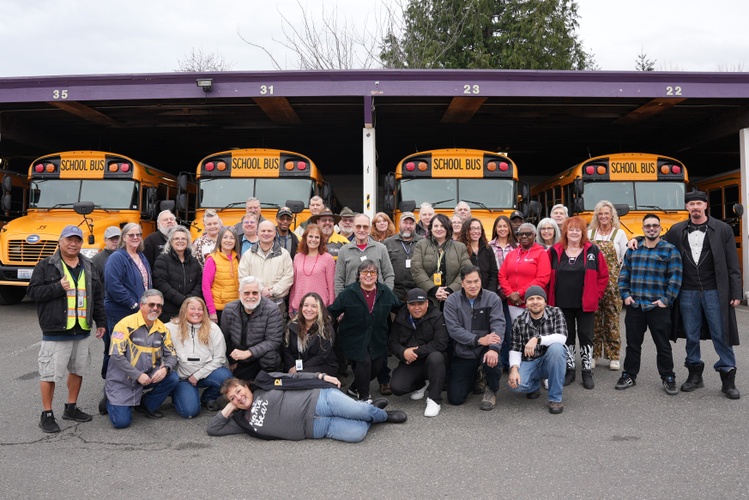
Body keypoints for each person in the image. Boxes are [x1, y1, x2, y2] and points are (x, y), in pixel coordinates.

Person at [28, 225, 106, 433]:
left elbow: (97, 297)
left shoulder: (88, 265)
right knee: (49, 374)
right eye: (69, 240)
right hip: (56, 330)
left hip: (80, 328)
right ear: (60, 241)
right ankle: (47, 414)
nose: (73, 244)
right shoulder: (46, 265)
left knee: (78, 370)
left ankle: (71, 407)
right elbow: (33, 292)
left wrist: (102, 322)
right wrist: (57, 287)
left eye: (77, 240)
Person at [662, 190, 740, 398]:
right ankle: (695, 375)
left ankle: (728, 378)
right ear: (686, 207)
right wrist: (637, 240)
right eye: (691, 204)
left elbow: (733, 263)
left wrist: (736, 291)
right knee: (691, 334)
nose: (695, 207)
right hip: (687, 291)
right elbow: (658, 244)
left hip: (715, 290)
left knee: (721, 334)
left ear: (706, 206)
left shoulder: (723, 229)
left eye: (699, 203)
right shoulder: (676, 230)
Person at [206, 373, 406, 442]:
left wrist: (321, 377)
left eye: (239, 391)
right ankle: (367, 410)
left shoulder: (264, 383)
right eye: (233, 398)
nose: (239, 398)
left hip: (319, 400)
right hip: (316, 429)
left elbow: (294, 377)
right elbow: (213, 429)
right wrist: (229, 409)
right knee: (357, 434)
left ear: (246, 386)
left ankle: (383, 415)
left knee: (361, 412)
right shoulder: (241, 421)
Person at [616, 214, 682, 394]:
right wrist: (625, 295)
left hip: (657, 307)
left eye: (655, 225)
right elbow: (624, 275)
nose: (651, 228)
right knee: (633, 344)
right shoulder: (633, 250)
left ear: (660, 228)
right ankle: (629, 374)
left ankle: (668, 377)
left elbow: (675, 278)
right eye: (647, 226)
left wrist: (665, 300)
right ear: (643, 229)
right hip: (635, 306)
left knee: (662, 344)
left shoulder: (670, 250)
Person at [547, 216, 608, 390]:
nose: (574, 232)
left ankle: (587, 371)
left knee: (586, 336)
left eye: (578, 229)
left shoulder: (592, 250)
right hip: (561, 303)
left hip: (585, 303)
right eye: (571, 229)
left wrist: (596, 295)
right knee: (567, 337)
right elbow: (546, 274)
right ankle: (570, 369)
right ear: (565, 231)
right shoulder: (555, 251)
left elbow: (603, 276)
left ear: (583, 232)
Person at [329, 261, 403, 402]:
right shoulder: (349, 292)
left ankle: (354, 387)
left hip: (377, 337)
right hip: (354, 337)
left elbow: (399, 308)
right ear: (359, 275)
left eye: (373, 272)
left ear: (377, 275)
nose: (368, 275)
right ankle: (363, 397)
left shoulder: (385, 291)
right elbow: (332, 311)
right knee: (365, 362)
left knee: (377, 366)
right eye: (365, 272)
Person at [104, 289, 179, 428]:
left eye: (159, 306)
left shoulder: (163, 329)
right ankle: (109, 398)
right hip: (124, 380)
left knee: (172, 377)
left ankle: (145, 405)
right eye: (151, 304)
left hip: (148, 375)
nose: (155, 308)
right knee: (121, 423)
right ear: (141, 305)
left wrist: (166, 369)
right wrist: (137, 375)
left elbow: (172, 355)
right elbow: (116, 355)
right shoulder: (124, 324)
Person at [444, 265, 504, 410]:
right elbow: (454, 330)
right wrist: (478, 339)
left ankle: (491, 389)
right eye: (469, 282)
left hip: (485, 349)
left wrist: (494, 349)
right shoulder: (452, 301)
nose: (473, 286)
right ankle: (476, 376)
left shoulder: (492, 298)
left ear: (481, 281)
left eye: (476, 281)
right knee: (455, 398)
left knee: (493, 360)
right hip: (463, 351)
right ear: (462, 283)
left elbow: (498, 324)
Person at [166, 296, 232, 417]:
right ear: (184, 310)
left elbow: (220, 358)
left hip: (204, 374)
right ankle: (179, 393)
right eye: (192, 308)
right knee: (190, 412)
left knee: (225, 376)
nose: (196, 312)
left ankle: (208, 397)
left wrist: (197, 375)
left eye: (200, 309)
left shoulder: (213, 328)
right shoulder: (170, 328)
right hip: (182, 377)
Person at [506, 286, 568, 414]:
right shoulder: (519, 321)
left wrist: (537, 339)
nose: (535, 302)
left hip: (550, 360)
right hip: (530, 362)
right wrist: (513, 369)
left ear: (545, 302)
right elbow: (515, 349)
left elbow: (562, 338)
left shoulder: (555, 312)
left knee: (557, 348)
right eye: (531, 299)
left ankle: (555, 398)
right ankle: (534, 386)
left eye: (539, 298)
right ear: (526, 303)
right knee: (516, 386)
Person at [388, 288, 448, 417]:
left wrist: (415, 352)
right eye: (412, 304)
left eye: (420, 304)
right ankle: (422, 383)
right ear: (407, 305)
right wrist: (403, 352)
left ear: (426, 303)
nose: (416, 308)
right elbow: (392, 342)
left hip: (431, 359)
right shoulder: (400, 318)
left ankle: (434, 399)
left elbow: (441, 343)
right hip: (412, 361)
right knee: (397, 388)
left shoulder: (437, 316)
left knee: (436, 357)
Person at [588, 200, 628, 370]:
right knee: (593, 321)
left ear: (612, 215)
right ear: (597, 216)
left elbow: (626, 260)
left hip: (613, 285)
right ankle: (593, 355)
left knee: (612, 321)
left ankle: (613, 356)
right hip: (592, 284)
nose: (604, 216)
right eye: (600, 214)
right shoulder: (589, 234)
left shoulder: (619, 234)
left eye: (606, 213)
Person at [221, 276, 284, 381]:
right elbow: (225, 338)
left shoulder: (272, 309)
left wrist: (249, 352)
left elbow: (274, 341)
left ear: (260, 293)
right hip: (240, 359)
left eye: (255, 293)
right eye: (246, 293)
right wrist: (232, 361)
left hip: (262, 359)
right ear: (239, 293)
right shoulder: (229, 309)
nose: (251, 296)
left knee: (270, 357)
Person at [411, 213, 472, 309]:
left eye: (442, 226)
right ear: (431, 228)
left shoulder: (460, 247)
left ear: (448, 228)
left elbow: (466, 271)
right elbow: (416, 269)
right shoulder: (421, 245)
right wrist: (434, 289)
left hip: (454, 298)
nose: (439, 229)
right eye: (436, 226)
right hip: (429, 298)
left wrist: (450, 290)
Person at [104, 222, 152, 340]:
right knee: (118, 351)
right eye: (131, 235)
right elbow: (113, 286)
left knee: (135, 351)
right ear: (124, 237)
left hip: (139, 312)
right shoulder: (117, 257)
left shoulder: (141, 256)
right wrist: (133, 305)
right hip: (121, 313)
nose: (135, 237)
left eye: (138, 234)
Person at [238, 220, 294, 317]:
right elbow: (243, 277)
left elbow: (289, 277)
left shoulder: (284, 254)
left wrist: (272, 292)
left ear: (275, 233)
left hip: (278, 304)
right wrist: (260, 289)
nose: (266, 233)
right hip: (253, 304)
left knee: (276, 331)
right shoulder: (248, 254)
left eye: (269, 231)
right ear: (257, 233)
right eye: (263, 231)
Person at [499, 223, 551, 325]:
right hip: (513, 302)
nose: (524, 236)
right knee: (518, 333)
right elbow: (502, 275)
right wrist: (510, 294)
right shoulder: (511, 254)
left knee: (535, 334)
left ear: (535, 235)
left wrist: (519, 293)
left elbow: (542, 279)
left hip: (534, 302)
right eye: (520, 234)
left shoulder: (541, 253)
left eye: (528, 234)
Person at [334, 213, 395, 296]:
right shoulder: (344, 251)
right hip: (352, 301)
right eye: (358, 226)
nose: (362, 230)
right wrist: (342, 300)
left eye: (365, 227)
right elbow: (339, 279)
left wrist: (385, 295)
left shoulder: (381, 248)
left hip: (377, 300)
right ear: (353, 228)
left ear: (370, 229)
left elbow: (389, 275)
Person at [153, 226, 202, 323]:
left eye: (183, 238)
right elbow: (160, 283)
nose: (180, 241)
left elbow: (199, 283)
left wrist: (189, 301)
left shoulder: (194, 261)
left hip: (190, 311)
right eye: (176, 238)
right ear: (171, 241)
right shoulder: (162, 260)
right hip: (169, 311)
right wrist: (183, 300)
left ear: (188, 241)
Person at [488, 214, 517, 371]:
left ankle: (509, 360)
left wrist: (510, 291)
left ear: (509, 228)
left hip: (513, 294)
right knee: (499, 326)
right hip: (496, 293)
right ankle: (501, 359)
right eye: (499, 226)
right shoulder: (489, 246)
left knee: (511, 328)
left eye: (505, 226)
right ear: (495, 229)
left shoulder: (517, 246)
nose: (502, 229)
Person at [283, 292, 338, 377]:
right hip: (297, 365)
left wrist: (299, 369)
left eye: (314, 306)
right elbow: (287, 350)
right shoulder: (292, 325)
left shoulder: (326, 329)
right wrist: (291, 366)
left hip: (322, 365)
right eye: (305, 305)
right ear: (301, 307)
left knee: (301, 376)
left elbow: (321, 357)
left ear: (320, 309)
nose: (309, 309)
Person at [91, 225, 120, 381]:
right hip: (106, 309)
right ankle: (107, 376)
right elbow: (93, 287)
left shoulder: (126, 255)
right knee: (110, 345)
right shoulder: (97, 260)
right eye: (112, 239)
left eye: (117, 238)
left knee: (121, 346)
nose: (115, 242)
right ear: (105, 240)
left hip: (122, 308)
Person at [288, 224, 336, 314]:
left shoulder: (328, 258)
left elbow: (331, 286)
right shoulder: (298, 257)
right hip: (299, 308)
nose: (313, 240)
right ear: (305, 238)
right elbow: (294, 284)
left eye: (317, 237)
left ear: (321, 240)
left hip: (319, 308)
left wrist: (331, 308)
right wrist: (291, 306)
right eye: (310, 236)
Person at [202, 226, 239, 324]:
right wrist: (212, 311)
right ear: (220, 239)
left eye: (232, 238)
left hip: (237, 308)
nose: (228, 240)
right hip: (219, 309)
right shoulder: (212, 259)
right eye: (225, 237)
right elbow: (206, 287)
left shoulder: (238, 258)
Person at [384, 211, 424, 301]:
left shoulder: (423, 242)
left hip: (417, 290)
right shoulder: (388, 243)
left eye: (411, 223)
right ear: (399, 224)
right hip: (395, 291)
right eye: (405, 223)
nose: (408, 226)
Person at [458, 217, 498, 293]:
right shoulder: (460, 249)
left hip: (486, 293)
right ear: (466, 231)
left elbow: (493, 273)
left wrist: (490, 292)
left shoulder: (488, 249)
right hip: (466, 293)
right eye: (472, 228)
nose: (476, 231)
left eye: (478, 228)